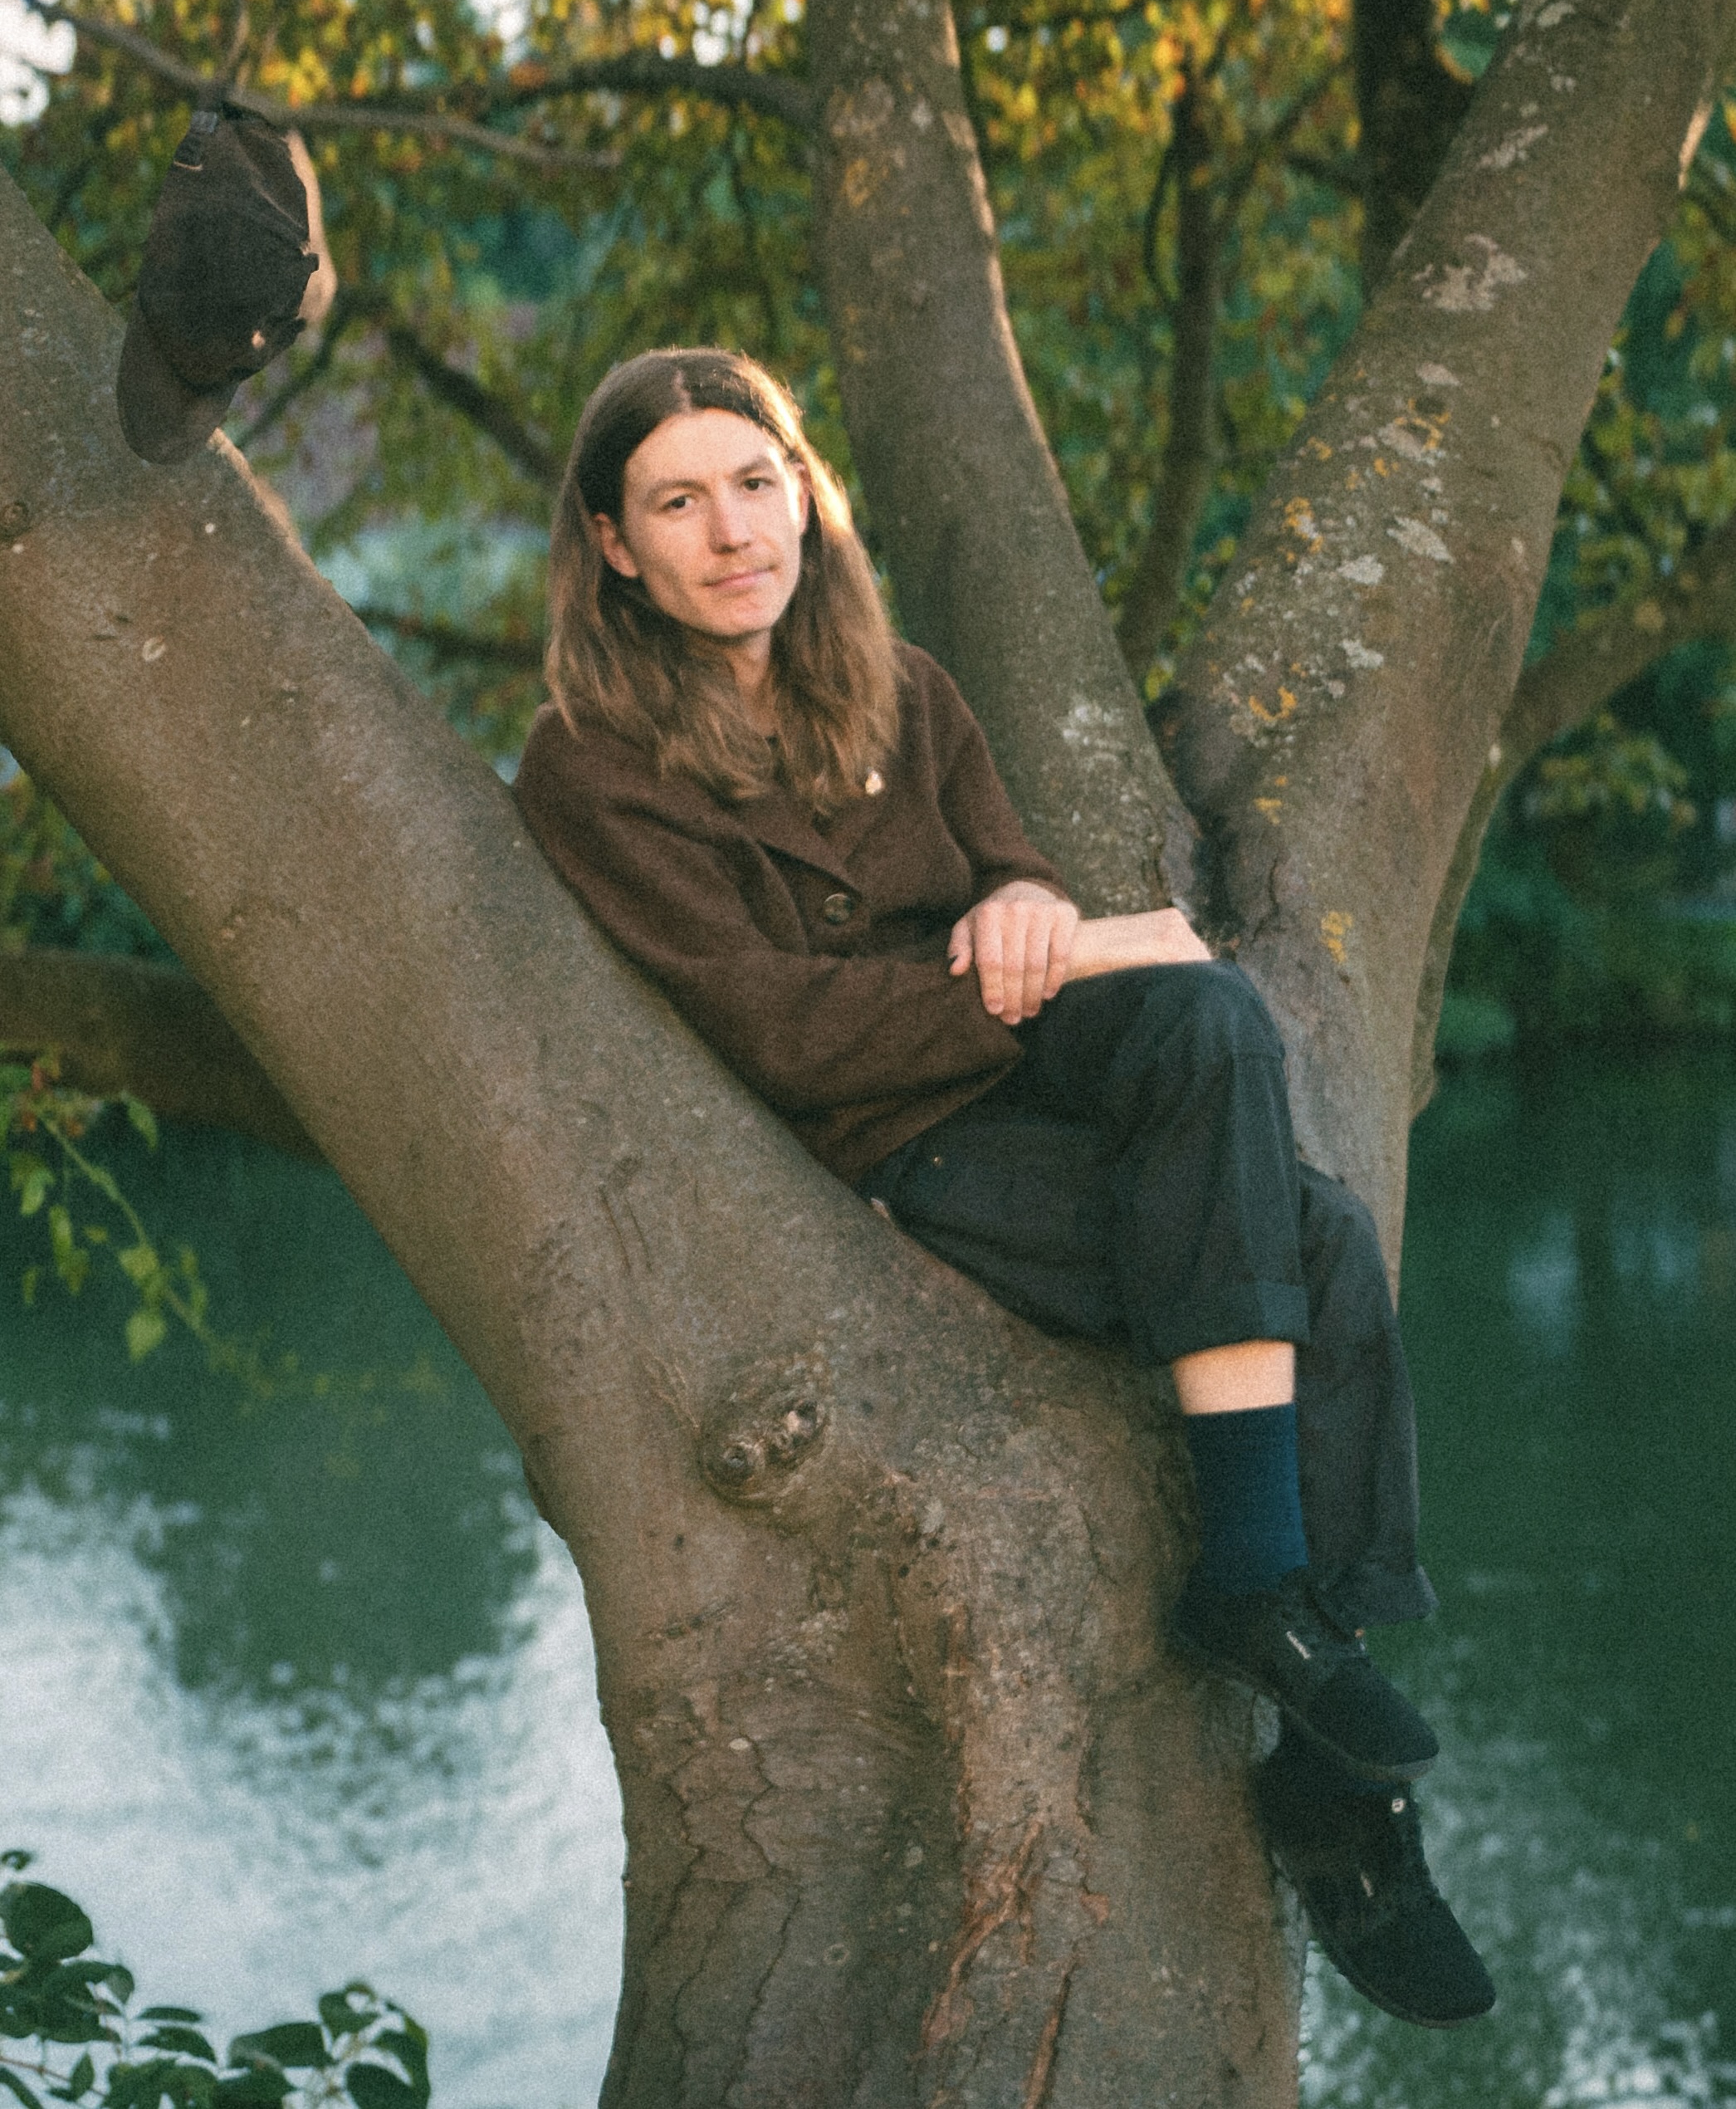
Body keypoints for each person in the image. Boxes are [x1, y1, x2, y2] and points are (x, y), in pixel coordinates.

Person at [513, 347, 1497, 2028]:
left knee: (1208, 1019)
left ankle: (1263, 1597)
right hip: (889, 1139)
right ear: (613, 544)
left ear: (804, 493)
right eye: (676, 502)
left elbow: (1011, 873)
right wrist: (1046, 960)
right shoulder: (587, 767)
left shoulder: (903, 688)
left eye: (754, 483)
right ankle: (1340, 1789)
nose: (731, 531)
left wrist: (1037, 907)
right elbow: (786, 1034)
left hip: (1025, 1066)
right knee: (1319, 1239)